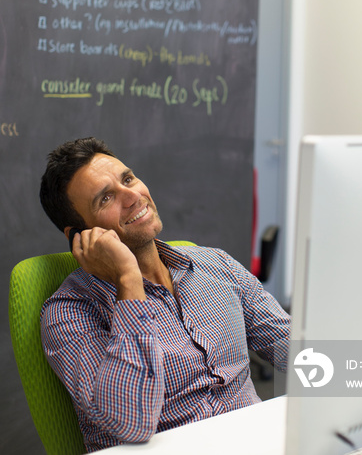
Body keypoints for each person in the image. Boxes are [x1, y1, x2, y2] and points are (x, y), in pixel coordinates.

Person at [39, 137, 290, 453]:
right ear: (79, 235)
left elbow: (292, 345)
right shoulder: (68, 313)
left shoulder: (216, 264)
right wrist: (128, 281)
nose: (133, 196)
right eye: (105, 199)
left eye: (128, 179)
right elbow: (131, 422)